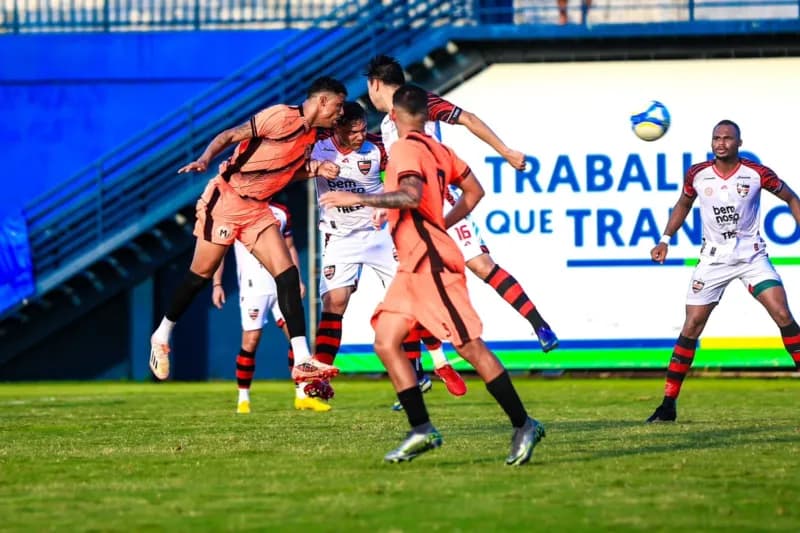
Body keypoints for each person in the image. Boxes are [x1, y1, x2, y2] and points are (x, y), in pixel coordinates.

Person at [320, 84, 546, 465]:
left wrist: (360, 198)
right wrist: (442, 220)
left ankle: (524, 423)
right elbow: (474, 191)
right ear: (427, 115)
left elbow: (409, 194)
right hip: (410, 266)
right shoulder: (442, 150)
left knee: (469, 347)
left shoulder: (405, 149)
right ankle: (421, 428)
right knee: (386, 341)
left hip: (432, 265)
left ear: (393, 115)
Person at [149, 76, 347, 383]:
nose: (340, 111)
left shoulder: (313, 136)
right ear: (322, 101)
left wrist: (316, 169)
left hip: (257, 209)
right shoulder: (281, 116)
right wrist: (204, 159)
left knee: (288, 274)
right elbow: (230, 135)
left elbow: (283, 172)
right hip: (227, 200)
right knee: (200, 275)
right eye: (338, 104)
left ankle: (303, 359)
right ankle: (162, 335)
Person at [365, 55, 559, 359]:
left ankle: (539, 324)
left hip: (442, 199)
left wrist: (505, 152)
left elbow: (467, 118)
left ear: (374, 83)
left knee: (482, 266)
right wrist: (382, 205)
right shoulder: (388, 125)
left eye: (370, 88)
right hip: (410, 211)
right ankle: (421, 369)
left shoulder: (418, 104)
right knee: (412, 281)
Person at [310, 101, 467, 401]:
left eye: (362, 129)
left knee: (409, 299)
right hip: (339, 237)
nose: (359, 135)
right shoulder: (318, 147)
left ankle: (438, 364)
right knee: (334, 302)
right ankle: (322, 375)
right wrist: (314, 168)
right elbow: (290, 169)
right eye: (353, 131)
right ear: (337, 128)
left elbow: (402, 176)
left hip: (379, 233)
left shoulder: (377, 147)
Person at [647, 120, 800, 423]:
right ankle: (667, 405)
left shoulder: (756, 174)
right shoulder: (697, 174)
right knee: (691, 326)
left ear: (739, 143)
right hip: (713, 260)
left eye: (727, 138)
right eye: (716, 138)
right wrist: (665, 239)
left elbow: (791, 198)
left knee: (783, 315)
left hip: (751, 257)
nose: (720, 143)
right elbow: (683, 204)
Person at [211, 201, 333, 414]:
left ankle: (303, 395)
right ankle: (243, 398)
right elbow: (218, 250)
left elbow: (290, 246)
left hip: (282, 284)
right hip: (253, 286)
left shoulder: (281, 211)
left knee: (296, 339)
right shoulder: (235, 211)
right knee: (251, 341)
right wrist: (217, 284)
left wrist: (298, 279)